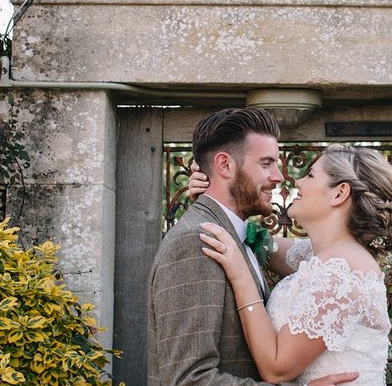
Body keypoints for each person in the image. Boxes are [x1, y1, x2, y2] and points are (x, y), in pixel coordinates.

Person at [146, 107, 360, 386]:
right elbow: (189, 380)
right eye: (266, 163)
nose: (280, 177)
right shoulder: (196, 243)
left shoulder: (236, 237)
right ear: (224, 165)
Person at [195, 144, 392, 386]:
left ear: (339, 193)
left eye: (310, 175)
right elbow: (260, 244)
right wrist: (213, 193)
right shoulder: (321, 256)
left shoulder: (344, 268)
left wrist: (241, 277)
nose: (297, 182)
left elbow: (276, 368)